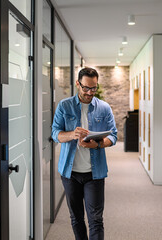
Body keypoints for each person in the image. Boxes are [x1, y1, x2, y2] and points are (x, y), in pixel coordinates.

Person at [51, 67, 117, 240]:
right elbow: (55, 134)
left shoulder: (104, 108)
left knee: (95, 219)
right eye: (86, 88)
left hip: (94, 174)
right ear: (77, 84)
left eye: (93, 88)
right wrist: (72, 134)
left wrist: (97, 144)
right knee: (76, 218)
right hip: (70, 173)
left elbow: (114, 136)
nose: (89, 92)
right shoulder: (64, 106)